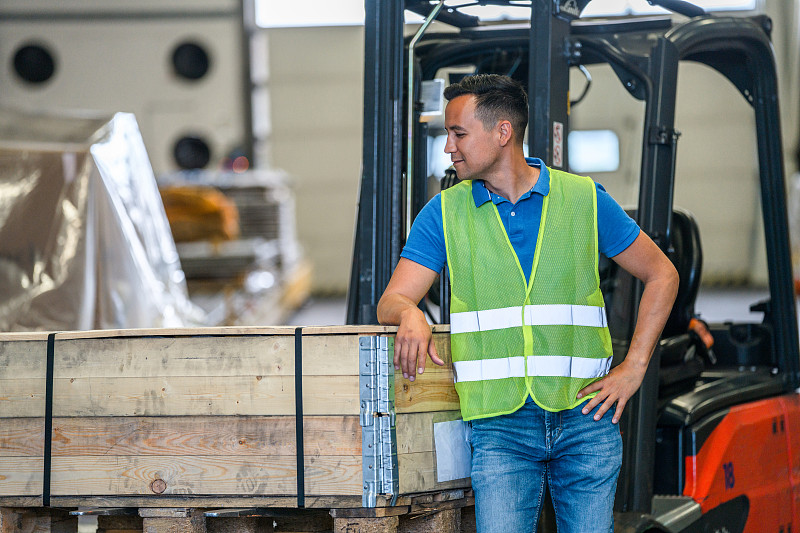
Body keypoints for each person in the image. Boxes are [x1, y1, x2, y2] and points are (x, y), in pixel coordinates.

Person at [376, 74, 679, 533]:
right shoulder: (443, 213)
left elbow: (662, 274)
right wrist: (410, 313)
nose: (448, 148)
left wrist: (635, 366)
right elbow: (393, 299)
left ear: (503, 132)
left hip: (586, 419)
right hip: (500, 428)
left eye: (458, 133)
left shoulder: (582, 200)